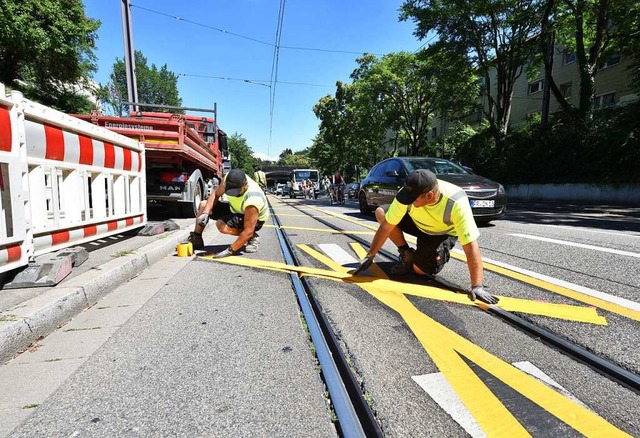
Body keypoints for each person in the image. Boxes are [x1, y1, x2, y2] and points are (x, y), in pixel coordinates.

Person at [351, 169, 499, 305]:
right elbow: (387, 226)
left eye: (413, 199)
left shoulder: (456, 202)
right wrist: (370, 255)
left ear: (429, 195)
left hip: (440, 233)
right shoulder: (409, 193)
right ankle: (406, 253)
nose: (408, 201)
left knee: (419, 270)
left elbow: (470, 246)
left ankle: (427, 257)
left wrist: (477, 286)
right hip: (418, 223)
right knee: (382, 213)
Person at [187, 169, 269, 257]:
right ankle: (197, 238)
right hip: (235, 209)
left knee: (222, 226)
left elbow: (248, 230)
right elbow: (216, 194)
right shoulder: (228, 179)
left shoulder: (253, 200)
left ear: (245, 184)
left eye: (236, 192)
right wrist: (206, 213)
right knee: (203, 205)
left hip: (253, 219)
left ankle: (252, 236)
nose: (233, 194)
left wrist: (230, 250)